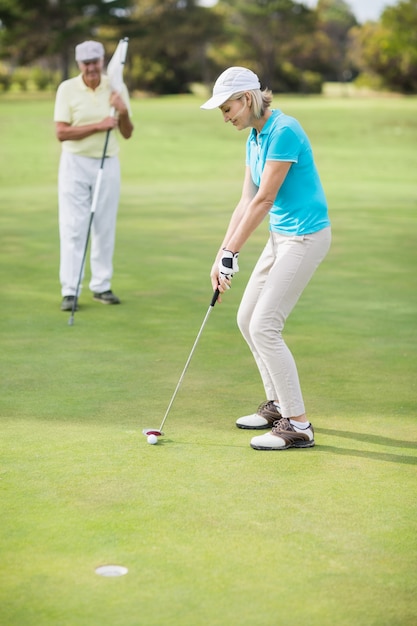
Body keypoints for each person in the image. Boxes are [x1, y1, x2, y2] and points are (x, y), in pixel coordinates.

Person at [201, 67, 331, 451]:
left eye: (228, 109)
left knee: (265, 326)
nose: (226, 118)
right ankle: (278, 406)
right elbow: (245, 200)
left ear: (247, 98)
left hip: (306, 236)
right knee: (246, 319)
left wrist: (233, 251)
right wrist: (221, 253)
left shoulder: (284, 130)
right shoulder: (254, 138)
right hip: (281, 237)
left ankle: (299, 425)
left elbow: (265, 200)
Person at [54, 40, 134, 312]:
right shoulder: (67, 89)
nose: (91, 67)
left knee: (104, 226)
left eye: (95, 62)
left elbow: (127, 132)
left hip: (107, 162)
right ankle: (70, 290)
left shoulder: (116, 86)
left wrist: (121, 110)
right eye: (86, 63)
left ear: (102, 61)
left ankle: (101, 286)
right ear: (79, 64)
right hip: (74, 164)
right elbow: (61, 132)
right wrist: (99, 126)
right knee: (74, 227)